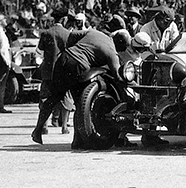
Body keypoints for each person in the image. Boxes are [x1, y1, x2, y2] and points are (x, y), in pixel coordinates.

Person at [32, 17, 121, 146]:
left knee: (53, 97)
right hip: (79, 66)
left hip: (63, 59)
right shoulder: (111, 51)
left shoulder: (92, 32)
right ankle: (77, 140)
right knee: (81, 103)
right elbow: (118, 75)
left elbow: (69, 37)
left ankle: (38, 129)